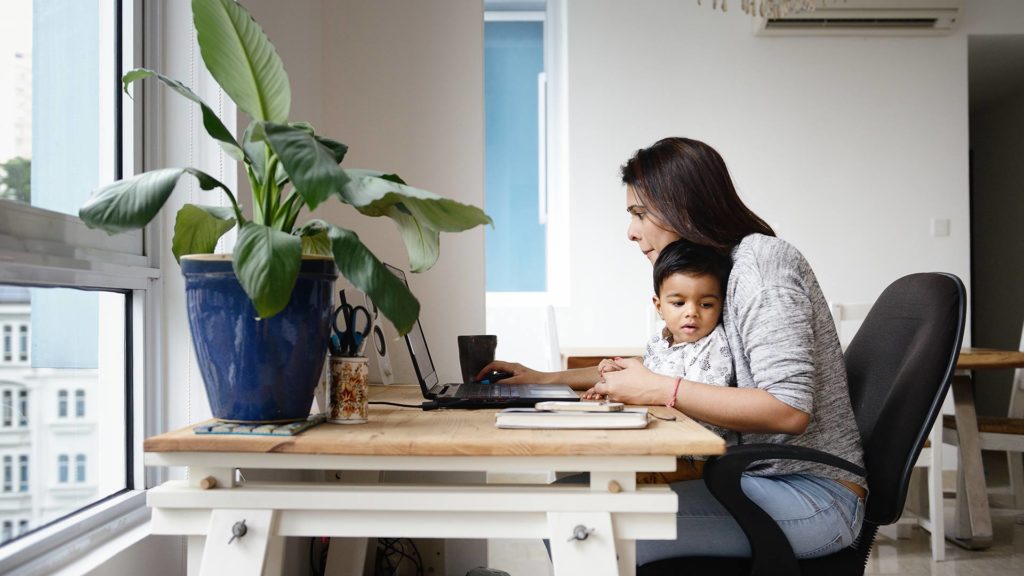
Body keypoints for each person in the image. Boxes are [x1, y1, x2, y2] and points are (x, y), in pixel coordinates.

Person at [478, 137, 866, 563]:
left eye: (640, 213)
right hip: (752, 479)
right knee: (563, 502)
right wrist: (544, 378)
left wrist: (661, 389)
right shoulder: (721, 270)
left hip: (811, 495)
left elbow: (788, 410)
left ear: (684, 205)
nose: (631, 231)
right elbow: (664, 367)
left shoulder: (761, 266)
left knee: (583, 525)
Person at [607, 238, 734, 484]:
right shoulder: (659, 341)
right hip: (659, 443)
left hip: (695, 458)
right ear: (659, 305)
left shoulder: (715, 345)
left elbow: (708, 406)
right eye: (678, 303)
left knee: (624, 481)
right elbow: (645, 381)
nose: (692, 312)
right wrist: (613, 373)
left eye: (706, 304)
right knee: (606, 465)